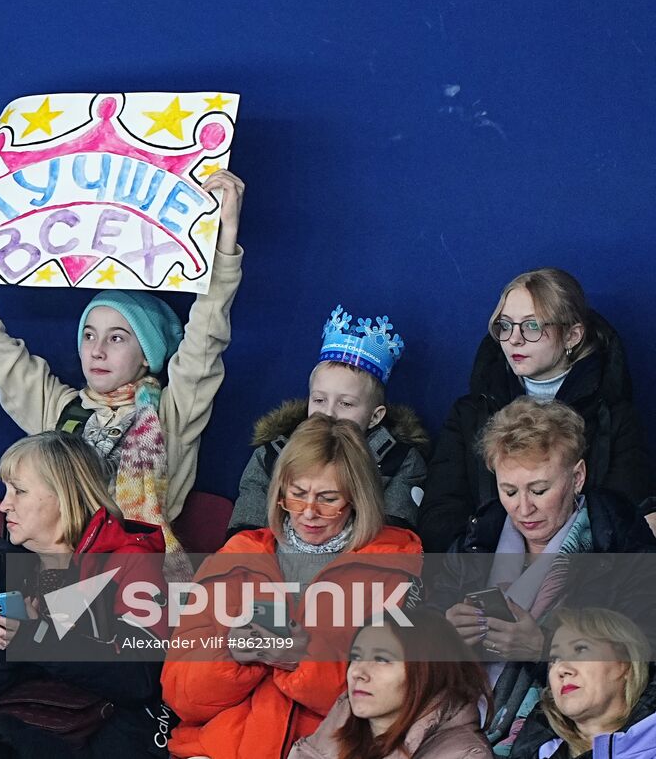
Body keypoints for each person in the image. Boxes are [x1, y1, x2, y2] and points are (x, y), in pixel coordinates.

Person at [0, 170, 245, 550]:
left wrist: (225, 239)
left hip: (132, 578)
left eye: (117, 338)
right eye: (89, 335)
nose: (97, 350)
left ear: (148, 355)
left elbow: (206, 337)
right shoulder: (59, 411)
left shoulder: (171, 415)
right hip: (53, 571)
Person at [161, 414, 423, 759]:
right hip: (216, 750)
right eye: (297, 494)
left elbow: (393, 703)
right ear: (279, 490)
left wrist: (302, 661)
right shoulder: (236, 556)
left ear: (358, 499)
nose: (308, 513)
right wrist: (233, 657)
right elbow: (180, 696)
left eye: (328, 499)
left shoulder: (394, 567)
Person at [432, 398, 656, 755]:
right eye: (509, 491)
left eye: (539, 490)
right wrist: (445, 633)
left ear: (577, 476)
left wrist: (543, 649)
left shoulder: (622, 543)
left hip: (549, 734)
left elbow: (642, 655)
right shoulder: (478, 536)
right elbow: (421, 621)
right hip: (449, 720)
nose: (523, 508)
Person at [0, 431, 169, 758]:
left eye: (19, 491)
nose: (3, 505)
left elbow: (140, 677)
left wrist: (36, 637)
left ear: (64, 495)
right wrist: (8, 644)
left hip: (105, 737)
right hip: (15, 731)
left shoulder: (130, 560)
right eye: (5, 491)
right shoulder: (11, 565)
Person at [419, 268, 652, 551]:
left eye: (532, 326)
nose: (514, 339)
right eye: (505, 326)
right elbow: (439, 515)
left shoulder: (614, 417)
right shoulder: (470, 414)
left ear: (572, 335)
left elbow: (625, 517)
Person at [229, 305, 427, 535]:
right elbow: (245, 534)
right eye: (320, 400)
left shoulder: (401, 461)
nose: (329, 414)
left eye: (346, 404)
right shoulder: (272, 454)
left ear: (375, 416)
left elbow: (391, 541)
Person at [287, 609, 491, 758]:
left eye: (382, 660)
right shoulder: (334, 734)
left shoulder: (464, 756)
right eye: (356, 657)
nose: (358, 672)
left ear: (428, 671)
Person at [511, 608, 656, 758]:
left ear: (626, 663)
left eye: (581, 649)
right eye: (554, 659)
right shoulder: (537, 749)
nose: (561, 668)